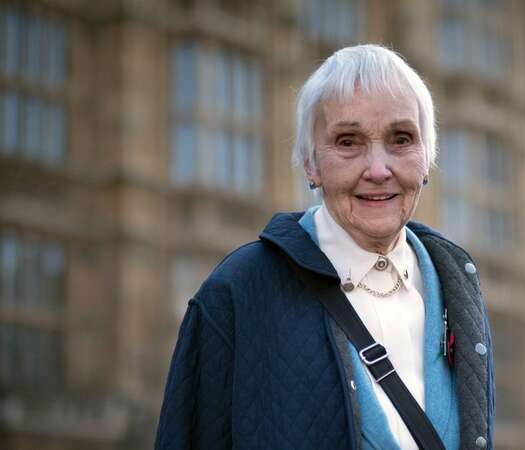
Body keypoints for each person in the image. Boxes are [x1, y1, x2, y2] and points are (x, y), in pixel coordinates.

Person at [155, 44, 494, 450]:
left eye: (401, 139)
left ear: (427, 159)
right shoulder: (238, 291)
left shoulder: (457, 283)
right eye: (348, 141)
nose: (378, 169)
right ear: (311, 164)